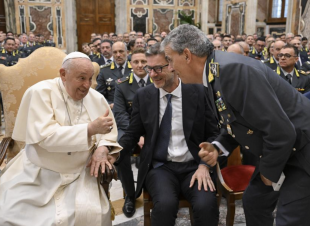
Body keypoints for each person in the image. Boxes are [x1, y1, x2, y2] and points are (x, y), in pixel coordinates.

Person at [162, 24, 310, 226]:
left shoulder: (234, 71)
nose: (170, 67)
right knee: (255, 201)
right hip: (283, 148)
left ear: (187, 55)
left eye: (170, 60)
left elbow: (282, 132)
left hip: (302, 152)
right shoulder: (214, 72)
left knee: (290, 217)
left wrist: (267, 175)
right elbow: (237, 121)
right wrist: (218, 147)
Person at [0, 52, 122, 226]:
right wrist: (89, 129)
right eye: (81, 78)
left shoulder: (96, 98)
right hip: (39, 174)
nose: (87, 85)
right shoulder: (40, 93)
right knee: (9, 216)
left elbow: (109, 133)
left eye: (90, 78)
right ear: (63, 74)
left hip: (81, 175)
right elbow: (46, 137)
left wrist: (103, 149)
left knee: (91, 216)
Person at [116, 42, 220, 226]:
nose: (152, 75)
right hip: (160, 167)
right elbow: (132, 133)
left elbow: (213, 133)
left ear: (173, 65)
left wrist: (205, 164)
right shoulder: (144, 95)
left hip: (194, 165)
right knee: (164, 205)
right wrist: (112, 152)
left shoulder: (198, 91)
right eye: (149, 69)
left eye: (157, 68)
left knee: (206, 206)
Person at [113, 48, 153, 217]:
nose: (140, 65)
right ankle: (130, 194)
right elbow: (120, 114)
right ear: (130, 64)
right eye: (136, 62)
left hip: (152, 128)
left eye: (144, 62)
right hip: (129, 129)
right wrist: (137, 134)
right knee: (119, 152)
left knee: (156, 150)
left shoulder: (156, 81)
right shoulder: (122, 85)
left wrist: (145, 135)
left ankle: (153, 191)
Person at [96, 41, 132, 109]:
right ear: (112, 54)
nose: (118, 55)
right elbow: (99, 95)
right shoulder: (104, 71)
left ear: (127, 53)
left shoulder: (134, 69)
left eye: (121, 51)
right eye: (115, 52)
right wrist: (109, 105)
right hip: (113, 109)